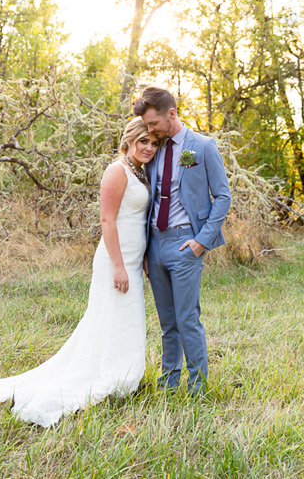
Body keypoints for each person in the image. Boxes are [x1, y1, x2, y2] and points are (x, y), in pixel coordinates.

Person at [0, 118, 158, 427]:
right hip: (115, 260)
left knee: (123, 317)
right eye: (143, 141)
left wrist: (141, 257)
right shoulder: (116, 171)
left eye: (154, 143)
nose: (149, 147)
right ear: (128, 141)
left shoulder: (138, 174)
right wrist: (118, 265)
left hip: (132, 258)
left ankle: (119, 373)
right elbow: (107, 221)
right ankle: (107, 375)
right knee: (110, 315)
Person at [133, 86, 230, 393]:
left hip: (186, 244)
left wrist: (201, 241)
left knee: (188, 319)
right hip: (156, 245)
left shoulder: (200, 146)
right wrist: (147, 250)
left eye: (153, 123)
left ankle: (197, 386)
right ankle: (168, 382)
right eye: (146, 126)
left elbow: (223, 196)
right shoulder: (154, 148)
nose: (149, 130)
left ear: (171, 114)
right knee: (167, 322)